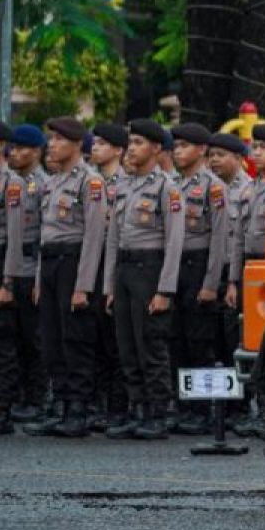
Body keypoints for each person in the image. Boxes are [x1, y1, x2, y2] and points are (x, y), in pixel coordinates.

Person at [22, 118, 107, 438]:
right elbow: (45, 234)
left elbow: (94, 236)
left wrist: (83, 285)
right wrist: (39, 280)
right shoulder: (53, 181)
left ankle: (78, 409)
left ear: (74, 144)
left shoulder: (90, 181)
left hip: (75, 262)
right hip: (52, 263)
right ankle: (59, 404)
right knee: (51, 338)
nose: (52, 145)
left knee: (76, 338)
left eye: (58, 140)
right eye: (51, 139)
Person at [104, 119, 184, 440]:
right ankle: (137, 408)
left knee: (150, 342)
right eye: (130, 142)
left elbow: (174, 242)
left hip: (150, 269)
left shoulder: (166, 187)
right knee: (126, 344)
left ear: (155, 148)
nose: (131, 148)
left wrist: (165, 289)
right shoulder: (123, 186)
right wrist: (110, 285)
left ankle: (158, 413)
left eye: (138, 142)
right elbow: (113, 237)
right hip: (125, 269)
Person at [166, 122, 230, 434]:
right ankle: (184, 406)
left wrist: (209, 284)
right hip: (175, 266)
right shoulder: (173, 184)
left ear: (201, 150)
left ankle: (205, 410)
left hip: (199, 265)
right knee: (176, 340)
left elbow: (219, 240)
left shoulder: (213, 187)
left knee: (200, 343)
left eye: (184, 146)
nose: (178, 151)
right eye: (175, 146)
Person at [227, 124, 265, 439]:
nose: (256, 152)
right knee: (246, 339)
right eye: (254, 147)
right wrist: (233, 279)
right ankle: (252, 407)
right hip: (249, 267)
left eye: (263, 147)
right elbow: (237, 237)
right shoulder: (249, 188)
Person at [0, 124, 47, 426]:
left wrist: (12, 278)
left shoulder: (35, 183)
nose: (15, 153)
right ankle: (17, 396)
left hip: (25, 265)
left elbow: (37, 233)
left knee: (31, 337)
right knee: (11, 338)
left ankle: (35, 398)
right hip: (15, 264)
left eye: (20, 148)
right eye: (13, 148)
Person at [87, 123, 129, 433]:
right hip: (92, 259)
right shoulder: (91, 182)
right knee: (94, 337)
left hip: (114, 261)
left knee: (116, 339)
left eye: (102, 143)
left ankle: (118, 406)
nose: (95, 147)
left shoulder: (125, 183)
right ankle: (99, 403)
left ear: (118, 150)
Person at [207, 132, 250, 371]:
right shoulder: (209, 189)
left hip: (235, 274)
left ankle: (239, 405)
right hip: (212, 273)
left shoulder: (248, 191)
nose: (214, 160)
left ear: (238, 158)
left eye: (220, 155)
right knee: (212, 341)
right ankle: (218, 404)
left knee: (234, 339)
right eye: (211, 155)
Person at [0, 120, 28, 433]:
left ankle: (3, 407)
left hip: (3, 259)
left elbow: (16, 235)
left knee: (3, 341)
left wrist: (8, 280)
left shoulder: (13, 184)